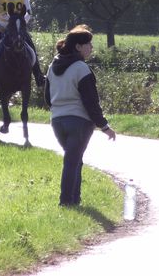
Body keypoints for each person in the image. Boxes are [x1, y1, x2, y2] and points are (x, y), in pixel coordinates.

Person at [44, 24, 116, 206]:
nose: (91, 48)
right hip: (79, 123)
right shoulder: (81, 69)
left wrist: (59, 110)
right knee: (71, 162)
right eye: (88, 44)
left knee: (75, 160)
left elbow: (47, 97)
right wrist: (104, 126)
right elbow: (91, 103)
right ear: (78, 47)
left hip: (57, 121)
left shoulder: (53, 66)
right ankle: (66, 202)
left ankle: (75, 201)